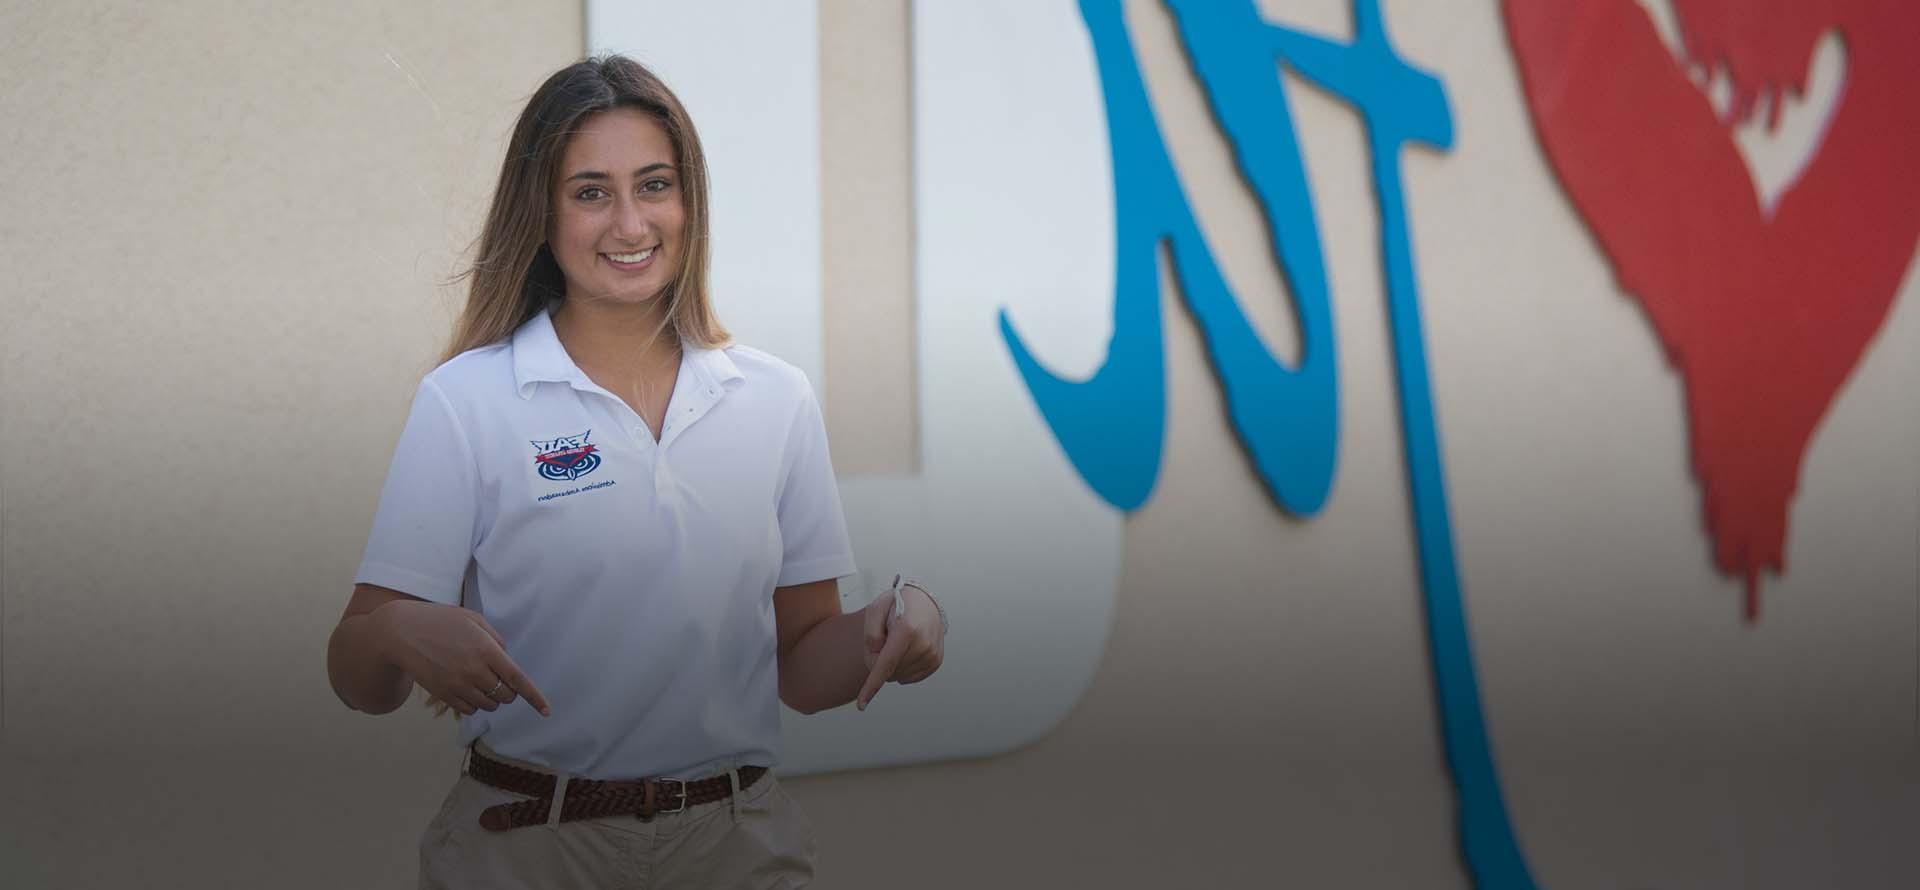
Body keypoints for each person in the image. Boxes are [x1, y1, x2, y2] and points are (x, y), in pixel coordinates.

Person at [324, 55, 946, 889]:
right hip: (527, 848)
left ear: (690, 202)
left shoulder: (774, 398)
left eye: (654, 185)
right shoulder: (466, 400)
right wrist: (398, 631)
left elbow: (801, 665)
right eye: (590, 192)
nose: (629, 223)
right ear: (539, 214)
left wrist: (901, 624)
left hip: (737, 849)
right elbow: (357, 678)